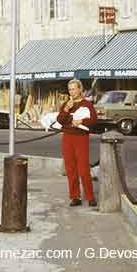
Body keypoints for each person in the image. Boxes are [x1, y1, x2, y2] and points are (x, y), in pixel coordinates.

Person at [57, 79, 98, 207]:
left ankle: (90, 196)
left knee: (83, 168)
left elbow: (93, 121)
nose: (72, 92)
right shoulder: (66, 104)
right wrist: (66, 109)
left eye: (74, 89)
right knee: (70, 168)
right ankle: (75, 196)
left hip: (81, 137)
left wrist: (81, 121)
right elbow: (60, 120)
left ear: (80, 89)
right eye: (70, 89)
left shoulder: (87, 104)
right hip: (67, 137)